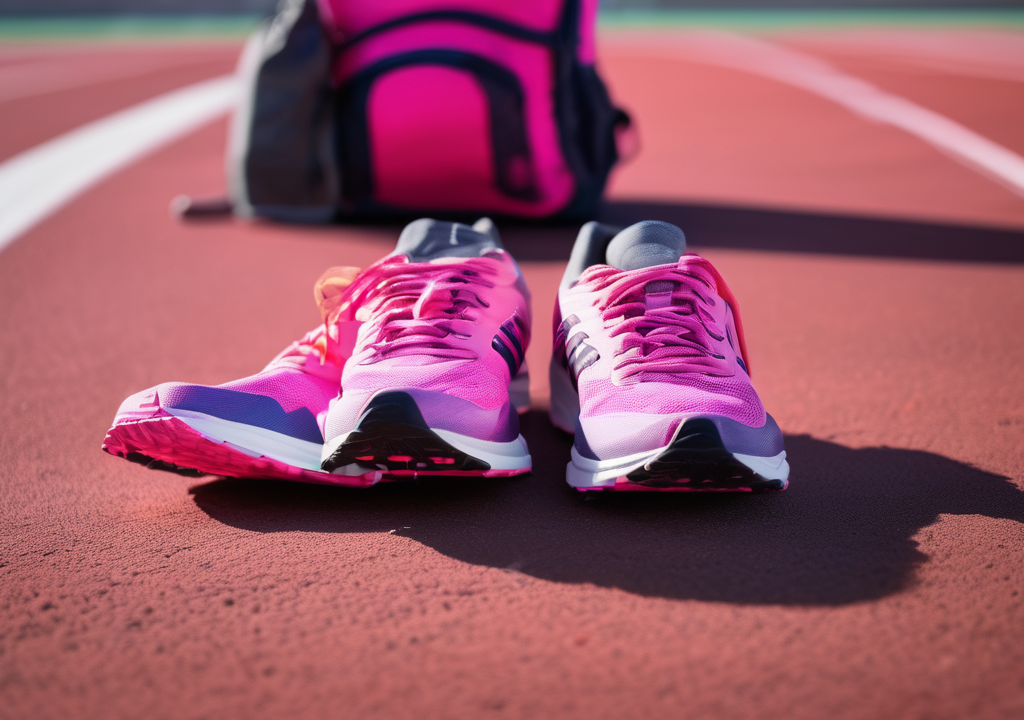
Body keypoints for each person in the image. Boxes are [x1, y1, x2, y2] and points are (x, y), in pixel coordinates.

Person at [103, 218, 789, 492]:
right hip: (394, 374)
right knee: (379, 385)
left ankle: (624, 349)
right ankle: (360, 365)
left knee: (374, 400)